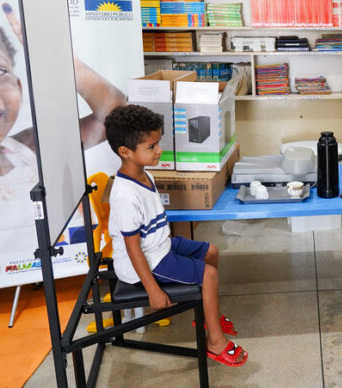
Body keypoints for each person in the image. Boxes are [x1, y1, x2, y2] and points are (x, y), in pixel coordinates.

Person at [0, 0, 126, 261]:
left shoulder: (27, 149)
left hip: (67, 287)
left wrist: (57, 55)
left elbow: (116, 114)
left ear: (18, 85)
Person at [104, 105, 248, 367]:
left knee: (211, 252)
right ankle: (215, 343)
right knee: (209, 274)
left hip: (160, 246)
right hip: (145, 263)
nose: (159, 150)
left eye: (158, 143)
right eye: (152, 146)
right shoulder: (125, 194)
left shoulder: (143, 173)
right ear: (125, 152)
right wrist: (153, 291)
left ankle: (207, 315)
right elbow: (133, 249)